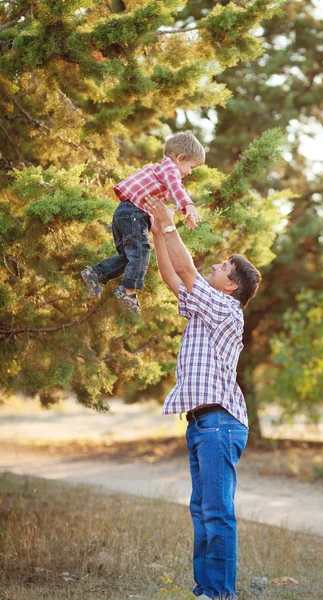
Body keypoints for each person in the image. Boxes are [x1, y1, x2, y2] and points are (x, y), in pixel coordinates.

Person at [145, 195, 261, 600]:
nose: (215, 265)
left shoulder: (228, 310)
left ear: (232, 285)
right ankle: (205, 591)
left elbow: (187, 269)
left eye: (223, 267)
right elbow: (172, 278)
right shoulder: (203, 308)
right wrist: (159, 232)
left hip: (219, 424)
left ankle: (221, 594)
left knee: (217, 514)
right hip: (202, 424)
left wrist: (170, 223)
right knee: (202, 512)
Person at [81, 131, 204, 314]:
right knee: (141, 252)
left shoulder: (159, 169)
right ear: (180, 158)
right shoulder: (170, 170)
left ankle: (95, 273)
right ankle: (128, 291)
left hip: (124, 213)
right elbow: (175, 185)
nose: (190, 172)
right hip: (133, 214)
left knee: (130, 258)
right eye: (191, 166)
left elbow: (168, 191)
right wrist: (189, 206)